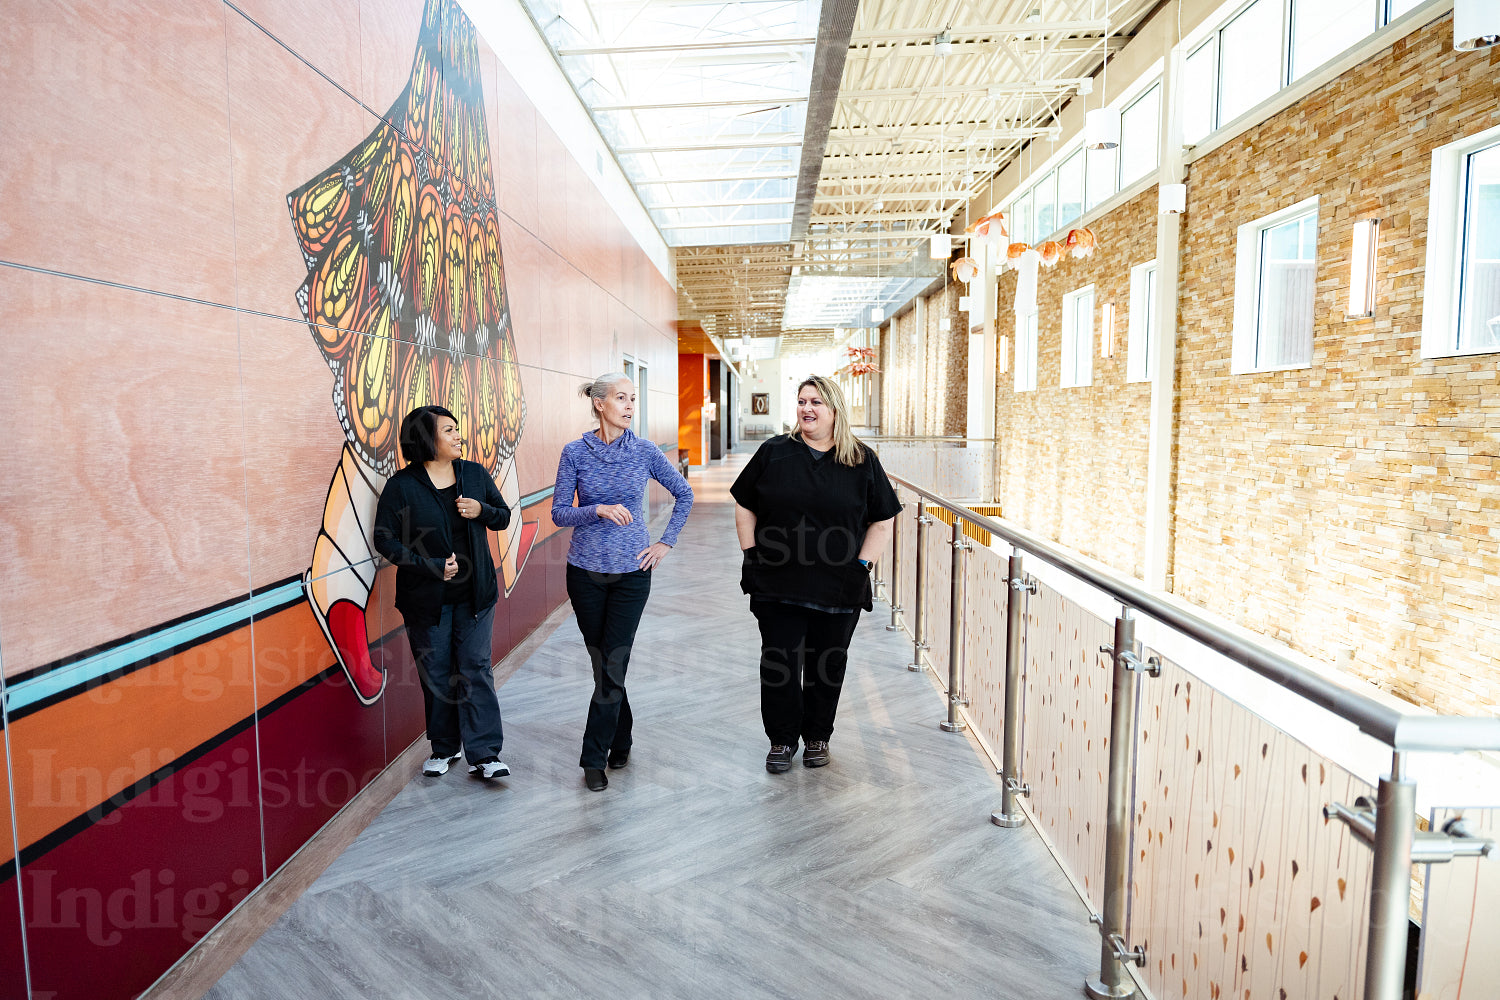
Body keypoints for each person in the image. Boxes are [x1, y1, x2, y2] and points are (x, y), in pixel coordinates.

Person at [731, 375, 900, 773]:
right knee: (779, 667)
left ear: (835, 410)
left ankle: (818, 738)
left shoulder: (861, 460)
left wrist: (863, 568)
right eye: (802, 401)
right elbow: (744, 505)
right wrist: (751, 554)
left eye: (816, 402)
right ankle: (782, 741)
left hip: (839, 586)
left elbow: (882, 520)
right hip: (777, 583)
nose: (807, 409)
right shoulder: (775, 452)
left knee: (827, 665)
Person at [552, 373, 694, 791]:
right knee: (605, 666)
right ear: (599, 404)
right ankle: (622, 736)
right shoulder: (575, 452)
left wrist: (665, 543)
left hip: (632, 576)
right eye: (621, 398)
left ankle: (593, 759)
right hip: (585, 575)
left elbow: (683, 494)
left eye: (633, 398)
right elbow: (560, 513)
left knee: (612, 664)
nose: (630, 405)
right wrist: (595, 510)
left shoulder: (646, 451)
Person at [373, 405, 513, 780]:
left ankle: (485, 754)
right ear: (426, 439)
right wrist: (430, 566)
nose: (457, 436)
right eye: (448, 430)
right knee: (435, 674)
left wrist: (481, 509)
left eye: (456, 429)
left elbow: (503, 516)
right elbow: (384, 539)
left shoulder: (473, 474)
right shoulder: (402, 486)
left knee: (475, 669)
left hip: (476, 596)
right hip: (426, 600)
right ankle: (444, 748)